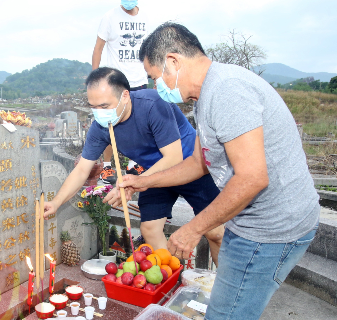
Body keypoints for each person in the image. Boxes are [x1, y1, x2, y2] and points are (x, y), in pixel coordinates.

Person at [120, 22, 320, 320]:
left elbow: (251, 178)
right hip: (267, 222)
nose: (158, 87)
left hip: (269, 228)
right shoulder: (211, 93)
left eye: (156, 77)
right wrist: (142, 180)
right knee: (231, 317)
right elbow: (197, 162)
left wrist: (193, 229)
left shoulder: (226, 92)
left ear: (172, 61)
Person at [44, 67, 224, 260]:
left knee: (216, 233)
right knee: (150, 229)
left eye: (104, 106)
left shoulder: (153, 104)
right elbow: (81, 170)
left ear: (125, 96)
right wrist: (56, 202)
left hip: (190, 166)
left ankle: (220, 286)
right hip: (154, 172)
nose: (99, 113)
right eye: (93, 107)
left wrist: (133, 184)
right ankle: (171, 276)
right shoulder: (100, 127)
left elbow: (173, 157)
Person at [92, 0, 149, 184]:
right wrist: (96, 80)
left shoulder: (147, 18)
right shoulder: (109, 18)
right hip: (116, 81)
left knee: (137, 125)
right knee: (111, 124)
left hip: (140, 80)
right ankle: (107, 167)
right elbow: (98, 48)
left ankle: (133, 163)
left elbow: (152, 49)